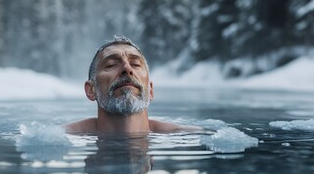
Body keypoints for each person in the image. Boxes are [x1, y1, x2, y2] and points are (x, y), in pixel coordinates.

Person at [65, 36, 210, 134]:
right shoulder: (59, 136)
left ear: (150, 90)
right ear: (91, 90)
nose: (127, 68)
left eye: (135, 64)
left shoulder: (190, 135)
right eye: (111, 65)